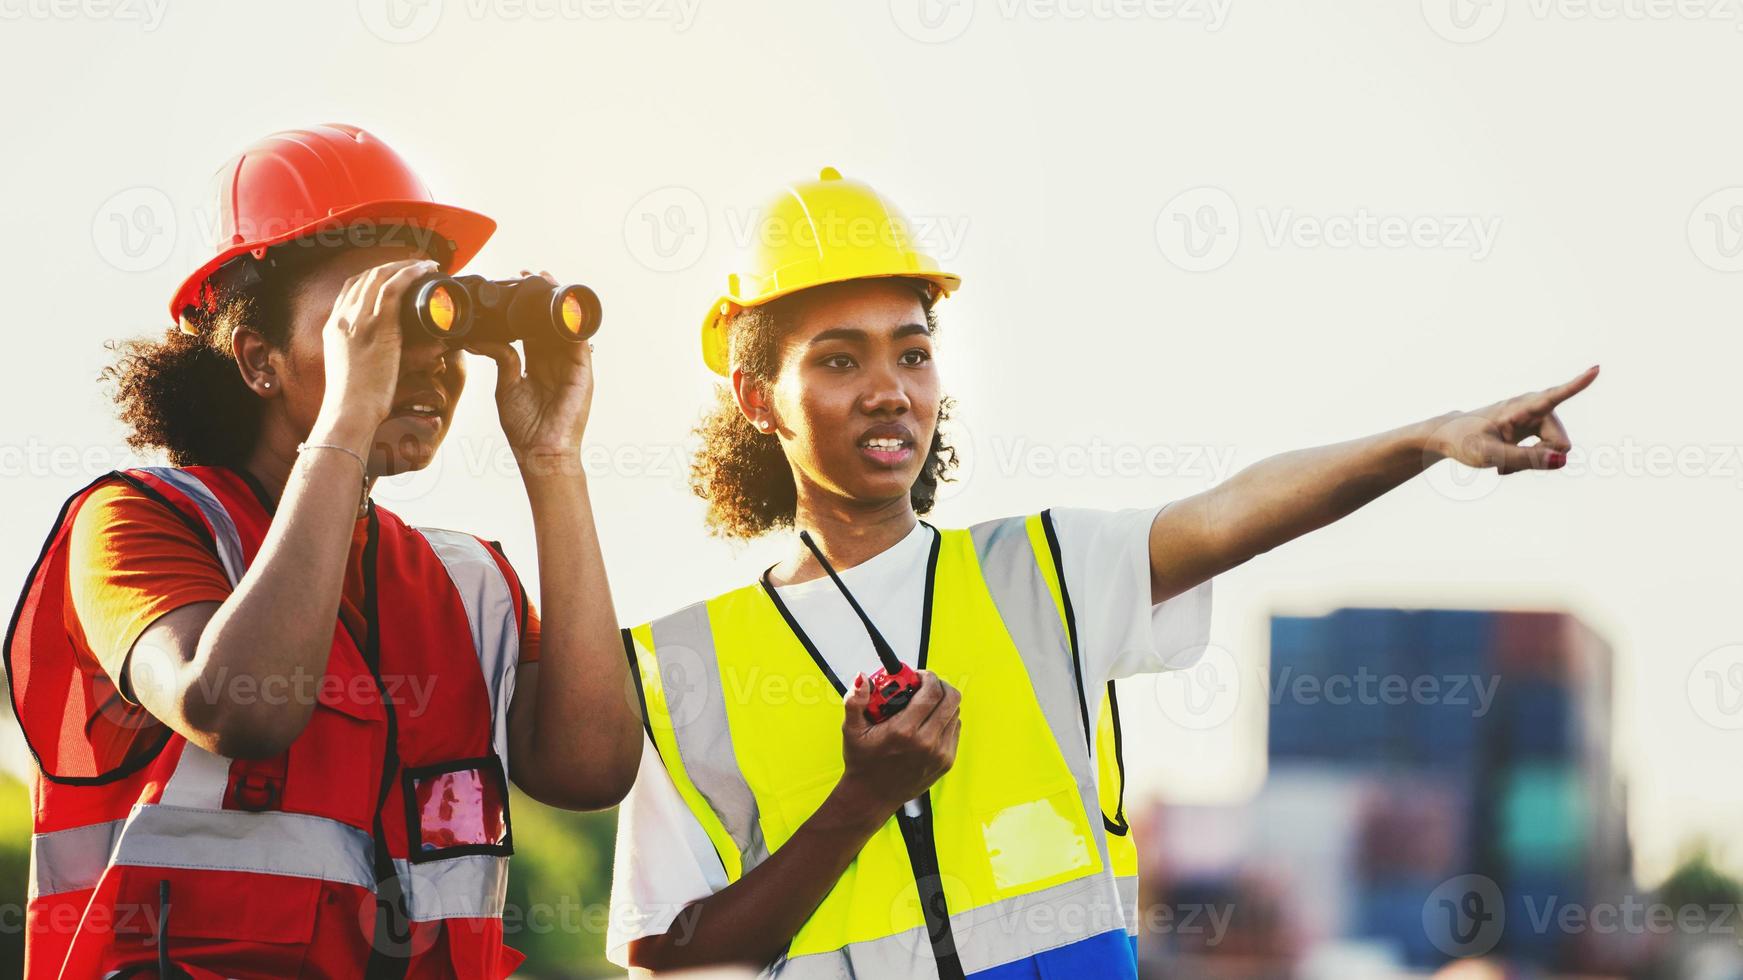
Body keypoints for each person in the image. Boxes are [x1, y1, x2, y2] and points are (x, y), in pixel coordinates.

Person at [605, 167, 1599, 977]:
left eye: (913, 355)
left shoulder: (1043, 569)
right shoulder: (681, 663)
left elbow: (1236, 508)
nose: (889, 392)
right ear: (754, 396)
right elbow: (670, 950)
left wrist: (1428, 438)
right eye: (838, 361)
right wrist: (857, 804)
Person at [6, 124, 642, 979]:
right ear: (259, 361)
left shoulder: (466, 582)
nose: (429, 361)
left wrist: (553, 460)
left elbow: (591, 770)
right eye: (371, 325)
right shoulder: (139, 521)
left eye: (438, 323)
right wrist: (348, 414)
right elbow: (240, 708)